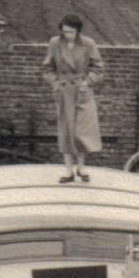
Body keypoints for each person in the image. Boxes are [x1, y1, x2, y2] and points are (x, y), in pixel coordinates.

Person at [43, 14, 104, 183]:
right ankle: (69, 171)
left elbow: (98, 68)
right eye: (64, 31)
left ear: (78, 31)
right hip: (64, 92)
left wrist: (87, 82)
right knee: (66, 131)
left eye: (71, 32)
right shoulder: (55, 43)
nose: (67, 35)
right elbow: (47, 68)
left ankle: (82, 168)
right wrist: (55, 83)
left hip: (82, 92)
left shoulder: (88, 44)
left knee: (81, 131)